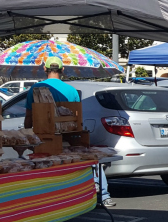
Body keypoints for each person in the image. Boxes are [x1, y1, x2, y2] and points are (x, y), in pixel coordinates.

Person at [24, 57, 115, 207]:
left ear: (45, 69)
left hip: (44, 137)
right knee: (85, 162)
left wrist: (28, 135)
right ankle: (103, 195)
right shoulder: (71, 90)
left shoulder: (36, 89)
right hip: (70, 136)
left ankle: (53, 200)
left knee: (48, 168)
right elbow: (76, 116)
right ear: (63, 70)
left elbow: (29, 116)